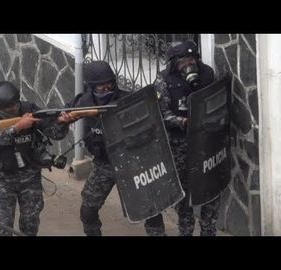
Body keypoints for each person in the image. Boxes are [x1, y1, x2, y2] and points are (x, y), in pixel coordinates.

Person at [68, 60, 165, 236]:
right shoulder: (84, 102)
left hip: (132, 162)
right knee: (88, 210)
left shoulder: (128, 99)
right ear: (91, 87)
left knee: (152, 208)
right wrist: (63, 120)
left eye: (110, 85)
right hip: (104, 163)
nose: (107, 90)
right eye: (101, 88)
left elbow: (151, 127)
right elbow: (61, 119)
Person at [0, 81, 76, 236]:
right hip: (3, 180)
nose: (14, 109)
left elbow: (55, 134)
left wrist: (62, 123)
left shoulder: (29, 109)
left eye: (15, 105)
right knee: (4, 228)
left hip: (30, 176)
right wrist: (17, 127)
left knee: (30, 225)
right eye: (8, 108)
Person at [154, 40, 221, 236]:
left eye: (191, 60)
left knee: (210, 189)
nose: (188, 65)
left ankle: (208, 231)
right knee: (184, 194)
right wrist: (183, 122)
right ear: (174, 63)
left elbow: (215, 101)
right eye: (183, 62)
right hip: (178, 144)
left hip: (205, 142)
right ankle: (186, 231)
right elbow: (161, 113)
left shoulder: (207, 74)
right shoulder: (164, 79)